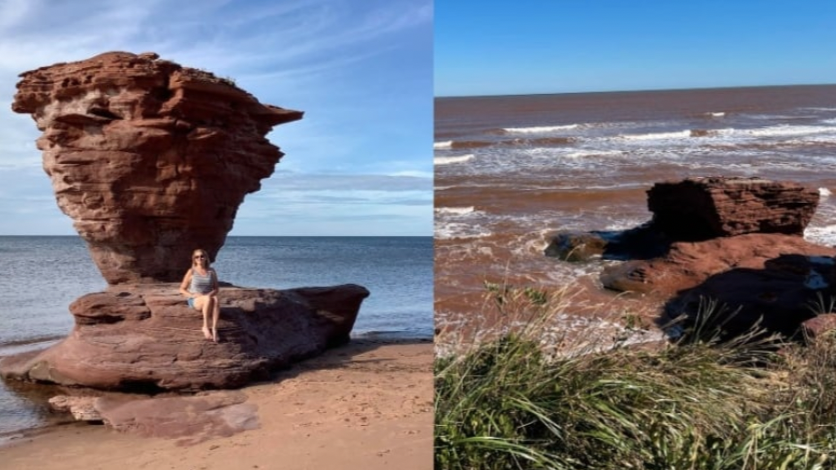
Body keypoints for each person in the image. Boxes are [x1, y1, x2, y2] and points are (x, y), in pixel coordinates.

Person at [179, 248, 221, 342]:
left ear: (206, 258)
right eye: (197, 257)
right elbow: (182, 289)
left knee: (216, 299)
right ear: (194, 259)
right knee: (207, 299)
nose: (200, 258)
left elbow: (216, 289)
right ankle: (205, 327)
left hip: (208, 297)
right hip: (196, 300)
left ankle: (214, 328)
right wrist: (192, 295)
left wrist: (210, 294)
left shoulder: (211, 271)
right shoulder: (191, 271)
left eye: (202, 256)